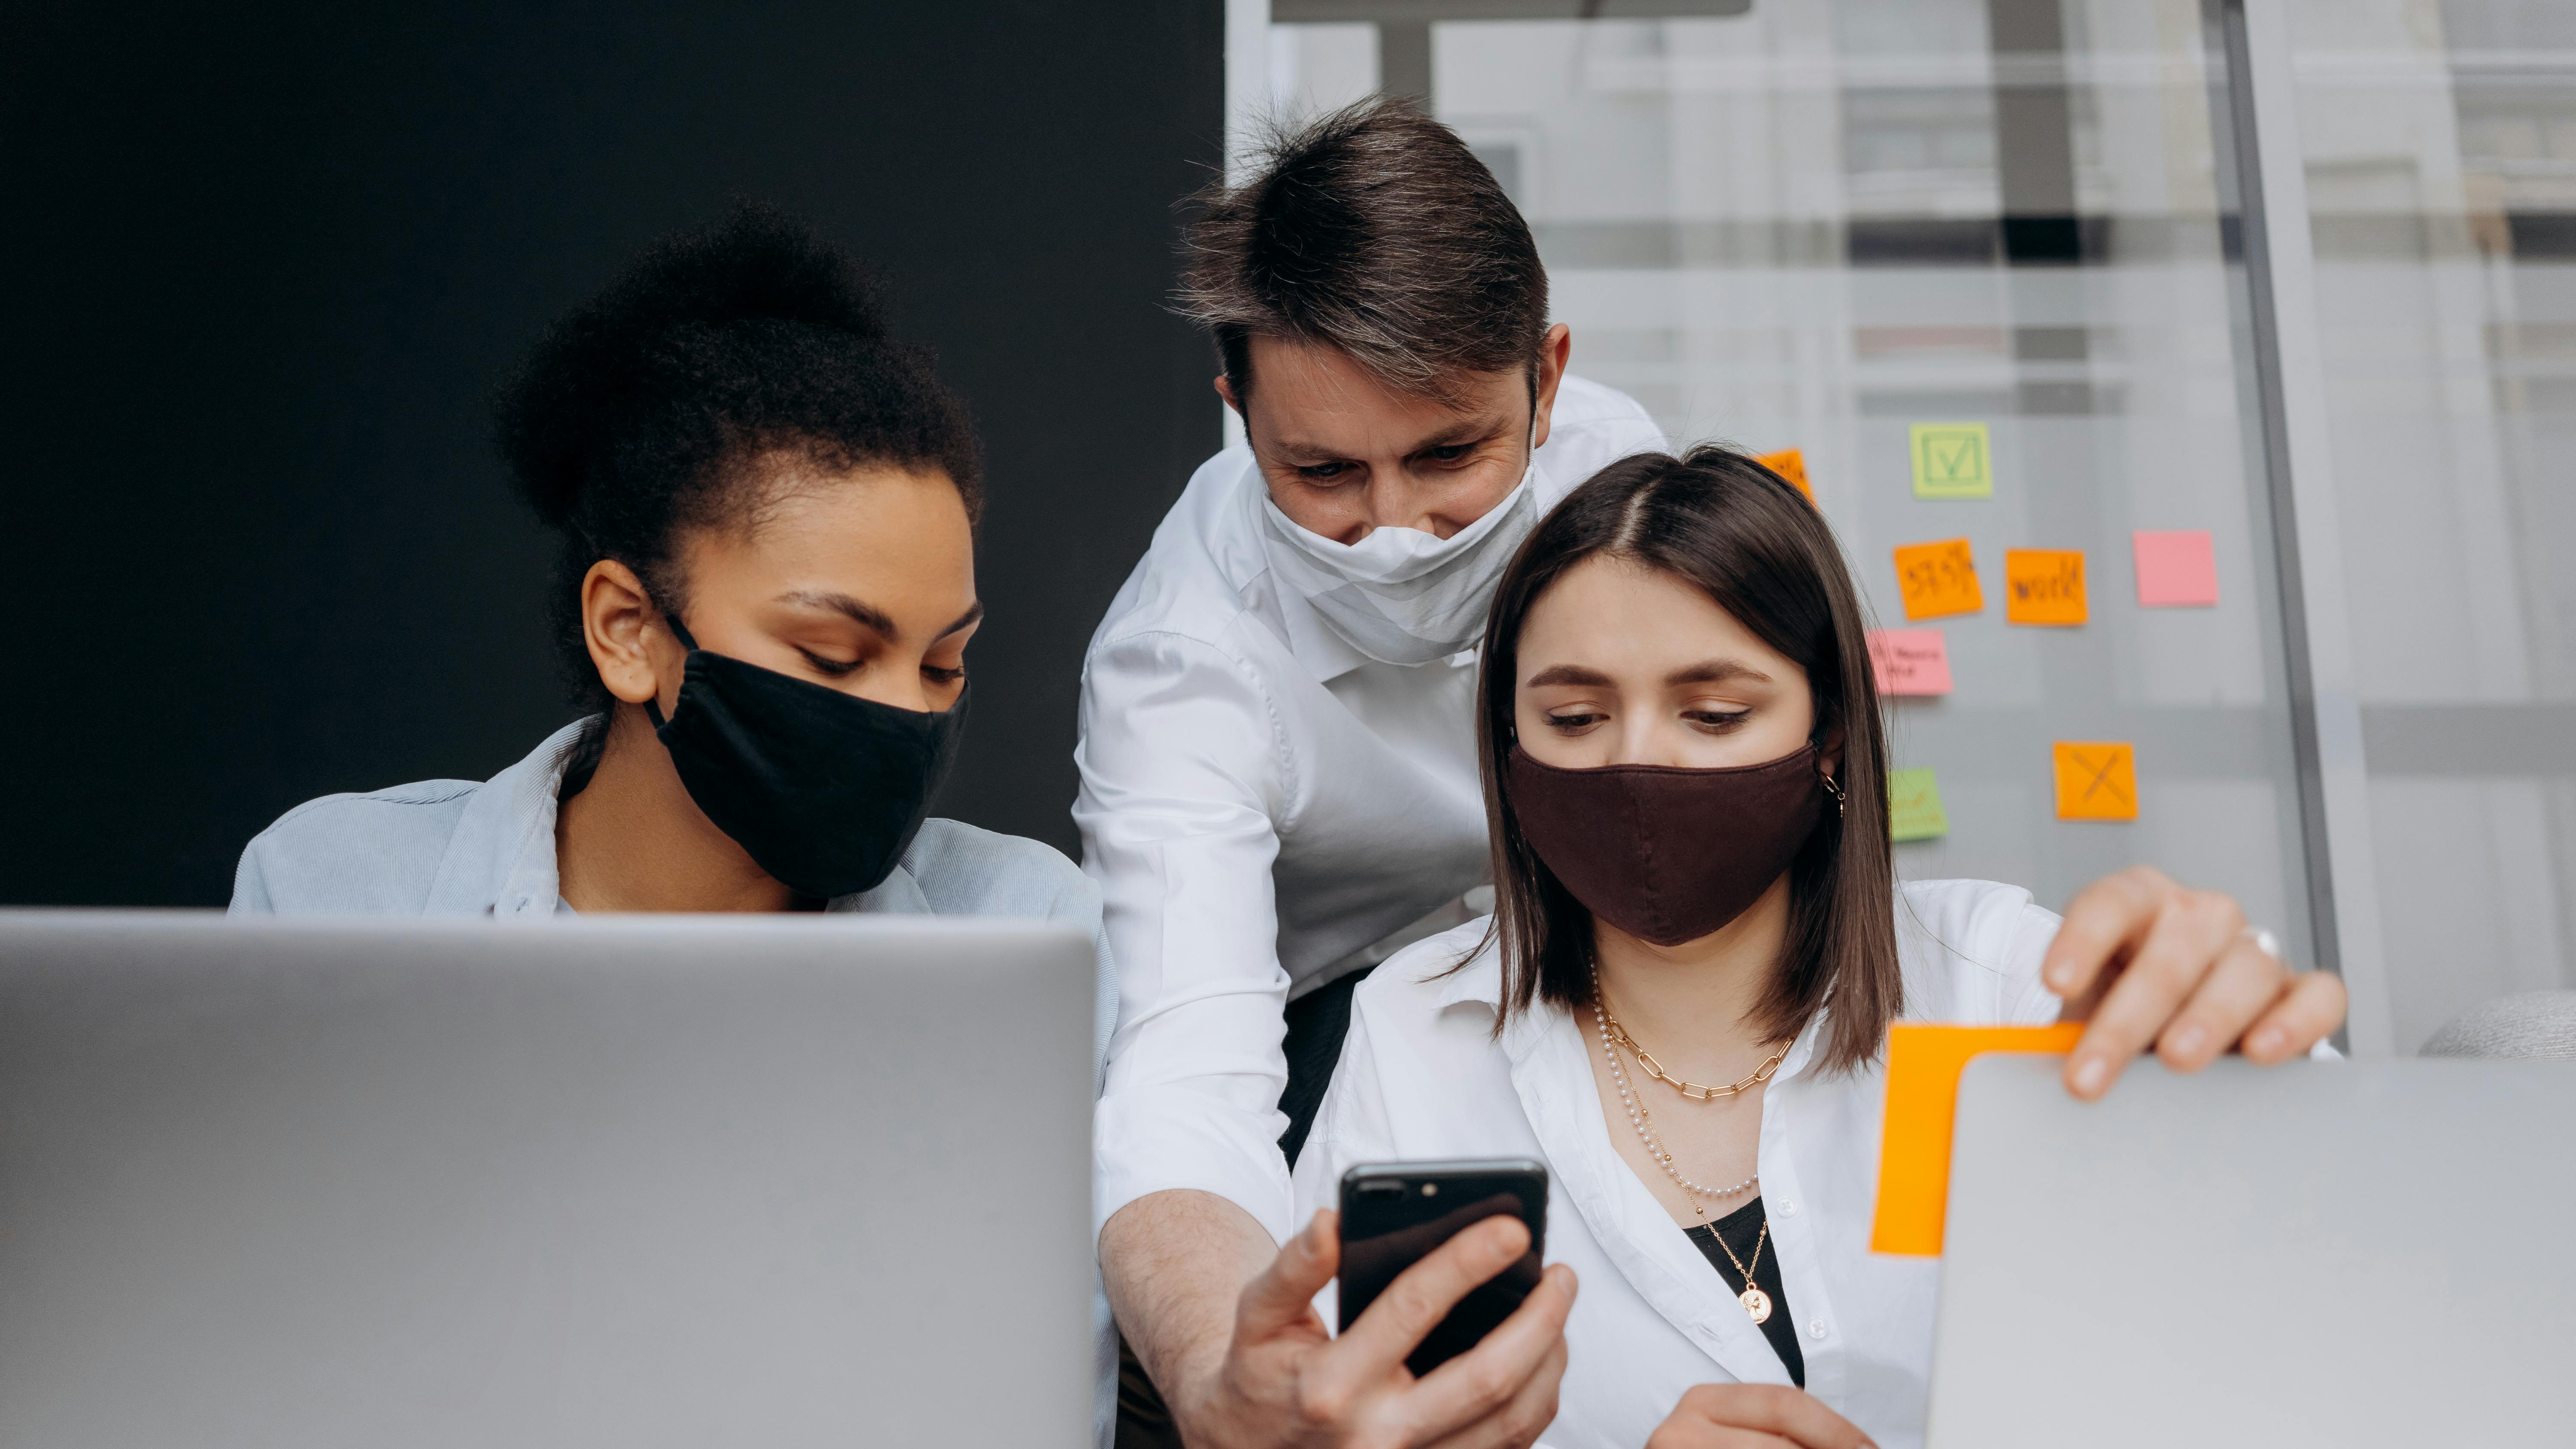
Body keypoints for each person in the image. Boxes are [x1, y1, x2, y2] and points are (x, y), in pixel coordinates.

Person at [1288, 447, 2350, 1449]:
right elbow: (1337, 1417)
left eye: (1712, 713)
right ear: (1508, 746)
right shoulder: (1417, 1028)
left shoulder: (1996, 985)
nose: (1637, 763)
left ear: (1829, 733)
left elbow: (2330, 1292)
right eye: (1572, 718)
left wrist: (2242, 1056)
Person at [1076, 98, 1667, 1446]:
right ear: (1237, 410)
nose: (1395, 531)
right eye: (1324, 470)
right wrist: (1223, 1369)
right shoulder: (1181, 661)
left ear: (1550, 379)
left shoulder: (1620, 484)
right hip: (1316, 1022)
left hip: (1580, 961)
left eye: (1452, 453)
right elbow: (1187, 1069)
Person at [231, 206, 1112, 1062]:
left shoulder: (1024, 927)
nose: (903, 710)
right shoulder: (335, 892)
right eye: (834, 655)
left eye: (941, 663)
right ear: (627, 629)